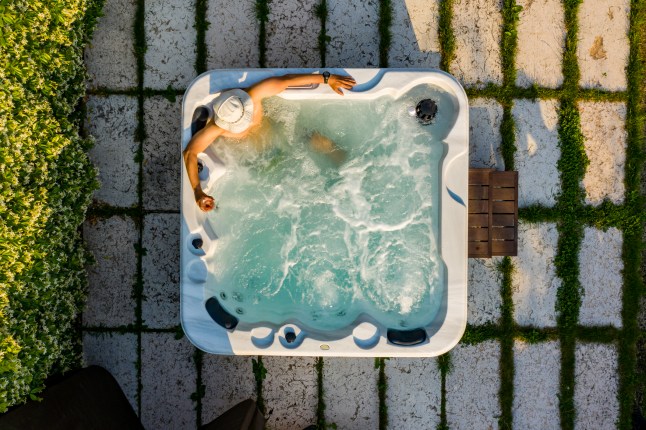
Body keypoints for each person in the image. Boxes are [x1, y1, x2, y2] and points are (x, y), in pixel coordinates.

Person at [183, 72, 357, 212]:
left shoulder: (253, 96)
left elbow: (286, 80)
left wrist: (328, 79)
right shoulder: (217, 128)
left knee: (316, 139)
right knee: (278, 191)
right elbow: (190, 153)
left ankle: (350, 168)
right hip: (257, 160)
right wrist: (198, 191)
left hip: (279, 136)